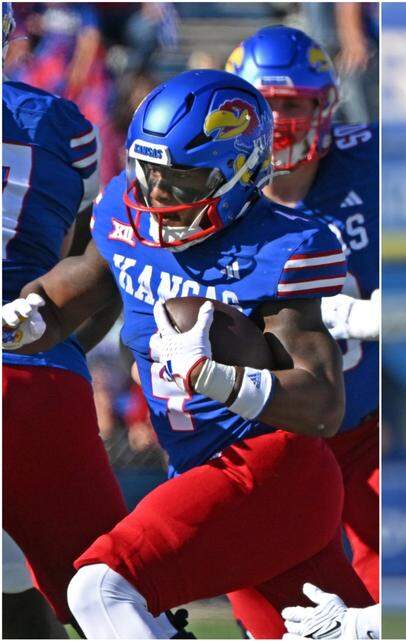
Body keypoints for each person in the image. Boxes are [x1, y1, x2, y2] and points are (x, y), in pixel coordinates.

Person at [3, 69, 372, 639]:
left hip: (270, 470)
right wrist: (29, 315)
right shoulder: (125, 215)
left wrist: (220, 379)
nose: (155, 197)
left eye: (178, 182)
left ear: (238, 175)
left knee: (100, 588)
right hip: (202, 470)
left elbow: (322, 404)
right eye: (147, 175)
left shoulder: (282, 246)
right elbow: (74, 290)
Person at [223, 26, 379, 630]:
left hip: (360, 423)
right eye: (266, 103)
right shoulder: (211, 189)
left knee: (382, 600)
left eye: (294, 104)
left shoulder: (365, 164)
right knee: (283, 606)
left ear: (326, 108)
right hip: (269, 430)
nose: (281, 120)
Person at [2, 2, 131, 631]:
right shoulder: (63, 126)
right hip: (35, 373)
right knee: (112, 600)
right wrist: (63, 349)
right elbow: (91, 279)